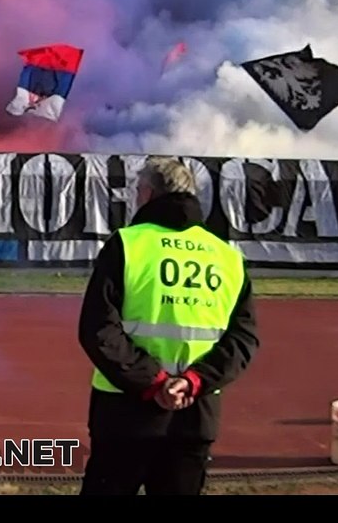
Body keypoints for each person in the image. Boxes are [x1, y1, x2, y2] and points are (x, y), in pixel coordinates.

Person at [77, 157, 260, 495]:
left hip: (124, 412)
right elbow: (243, 339)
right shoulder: (227, 256)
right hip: (195, 414)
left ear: (147, 193)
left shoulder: (128, 245)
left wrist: (155, 382)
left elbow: (99, 328)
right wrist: (192, 382)